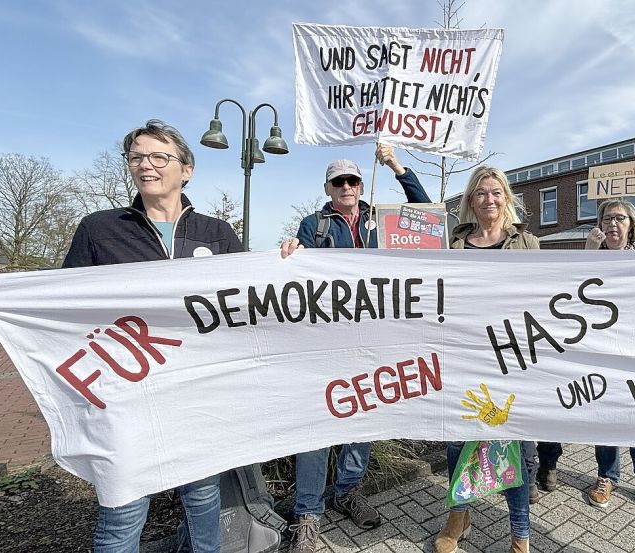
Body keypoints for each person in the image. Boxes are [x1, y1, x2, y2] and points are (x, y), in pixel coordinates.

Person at [65, 119, 243, 552]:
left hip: (197, 394)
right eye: (137, 157)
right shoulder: (100, 229)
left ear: (187, 169)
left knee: (202, 498)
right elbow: (61, 302)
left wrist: (287, 264)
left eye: (159, 156)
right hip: (128, 395)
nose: (147, 165)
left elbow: (251, 299)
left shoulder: (217, 233)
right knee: (123, 511)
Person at [279, 144, 430, 553]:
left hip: (376, 337)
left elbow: (427, 214)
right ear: (328, 188)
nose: (347, 186)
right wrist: (291, 254)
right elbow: (302, 272)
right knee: (318, 419)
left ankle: (347, 492)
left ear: (362, 185)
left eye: (353, 180)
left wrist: (397, 167)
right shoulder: (315, 224)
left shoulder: (382, 219)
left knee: (364, 417)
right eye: (338, 181)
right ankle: (308, 513)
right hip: (329, 340)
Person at [535, 190, 635, 520]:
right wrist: (587, 254)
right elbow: (570, 294)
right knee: (608, 415)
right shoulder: (593, 253)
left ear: (632, 225)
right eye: (607, 219)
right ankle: (607, 477)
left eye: (620, 218)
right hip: (602, 352)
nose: (613, 224)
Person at [437, 166, 539, 553]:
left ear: (506, 198)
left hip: (514, 356)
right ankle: (458, 515)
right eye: (480, 193)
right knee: (458, 440)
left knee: (511, 443)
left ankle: (520, 533)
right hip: (466, 354)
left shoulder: (528, 243)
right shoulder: (456, 245)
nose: (489, 200)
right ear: (469, 201)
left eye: (496, 192)